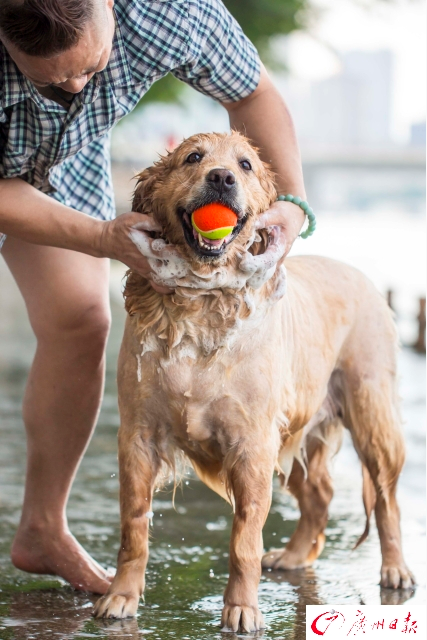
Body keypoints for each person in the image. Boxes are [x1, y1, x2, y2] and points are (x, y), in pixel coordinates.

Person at [0, 0, 306, 593]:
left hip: (64, 160)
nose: (77, 86)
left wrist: (293, 204)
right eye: (53, 79)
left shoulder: (172, 14)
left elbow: (253, 94)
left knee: (81, 322)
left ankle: (41, 528)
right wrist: (98, 236)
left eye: (90, 68)